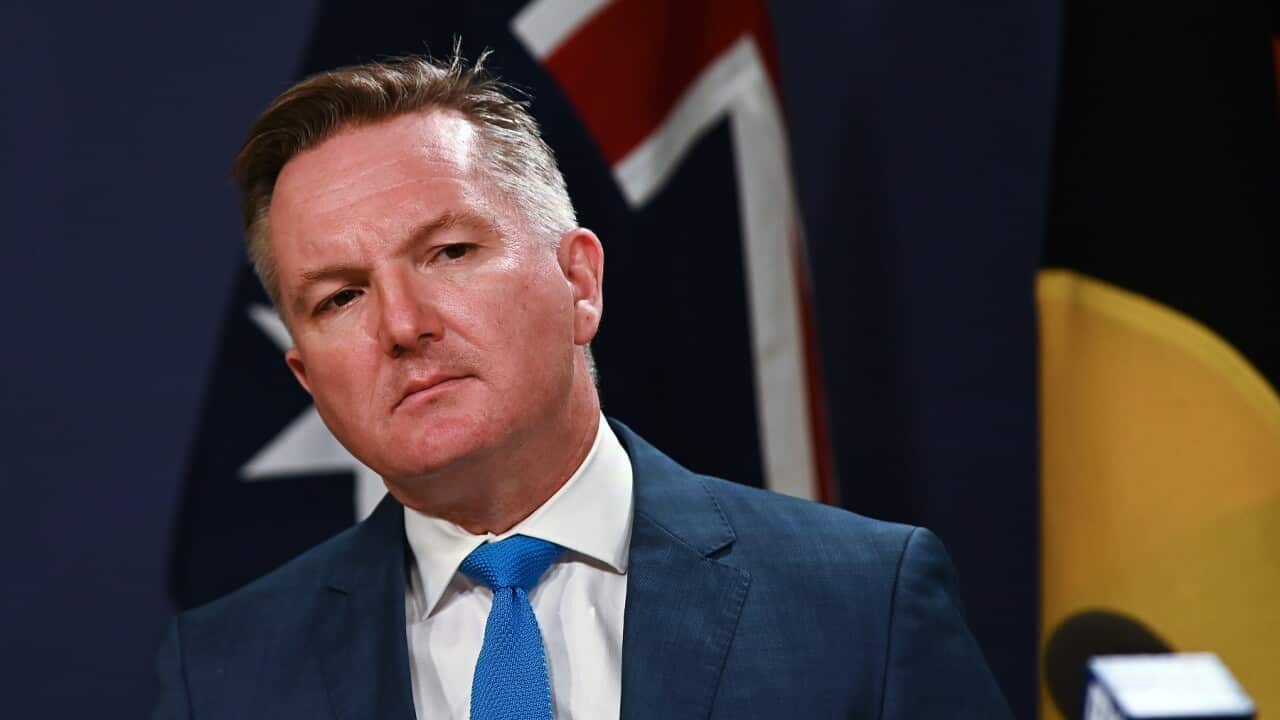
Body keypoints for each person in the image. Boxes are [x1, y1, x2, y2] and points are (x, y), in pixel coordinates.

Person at [153, 50, 1012, 720]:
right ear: (307, 375)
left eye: (450, 253)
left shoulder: (864, 602)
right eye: (341, 297)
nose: (404, 325)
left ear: (581, 282)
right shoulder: (224, 672)